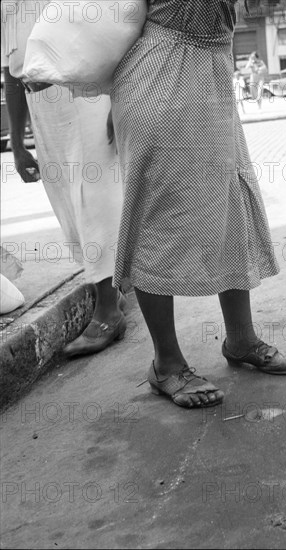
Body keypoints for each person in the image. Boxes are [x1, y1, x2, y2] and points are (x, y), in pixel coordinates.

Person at [110, 0, 286, 409]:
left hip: (211, 74)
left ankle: (241, 339)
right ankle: (166, 363)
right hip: (163, 76)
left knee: (229, 207)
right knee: (159, 220)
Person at [2, 0, 126, 356]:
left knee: (94, 200)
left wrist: (114, 100)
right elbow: (11, 75)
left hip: (82, 94)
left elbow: (112, 37)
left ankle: (107, 311)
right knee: (68, 206)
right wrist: (16, 140)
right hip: (40, 105)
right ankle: (115, 288)